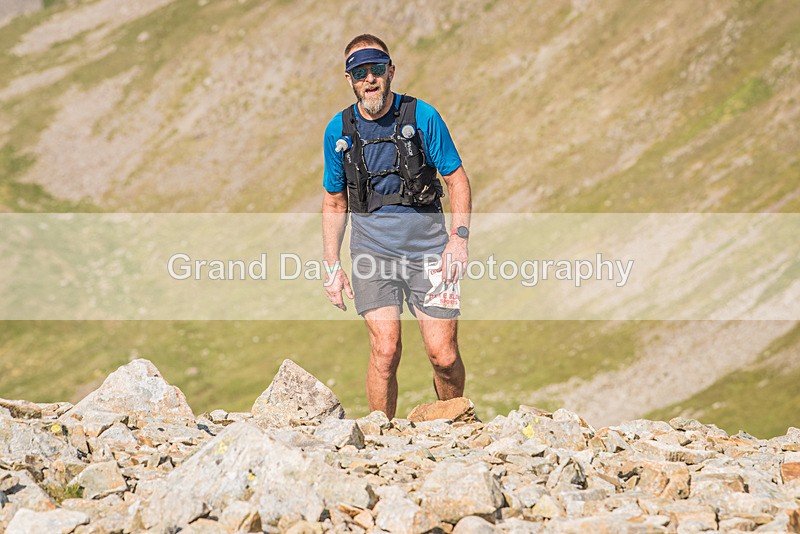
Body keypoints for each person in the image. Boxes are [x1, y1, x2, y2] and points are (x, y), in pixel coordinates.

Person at [321, 34, 472, 419]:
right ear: (349, 78)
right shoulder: (338, 131)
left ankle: (452, 422)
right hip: (373, 253)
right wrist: (331, 266)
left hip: (431, 251)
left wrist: (459, 240)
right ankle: (379, 436)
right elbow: (335, 201)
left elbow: (456, 179)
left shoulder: (423, 117)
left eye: (376, 69)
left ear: (390, 70)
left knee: (444, 355)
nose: (369, 79)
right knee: (385, 351)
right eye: (359, 72)